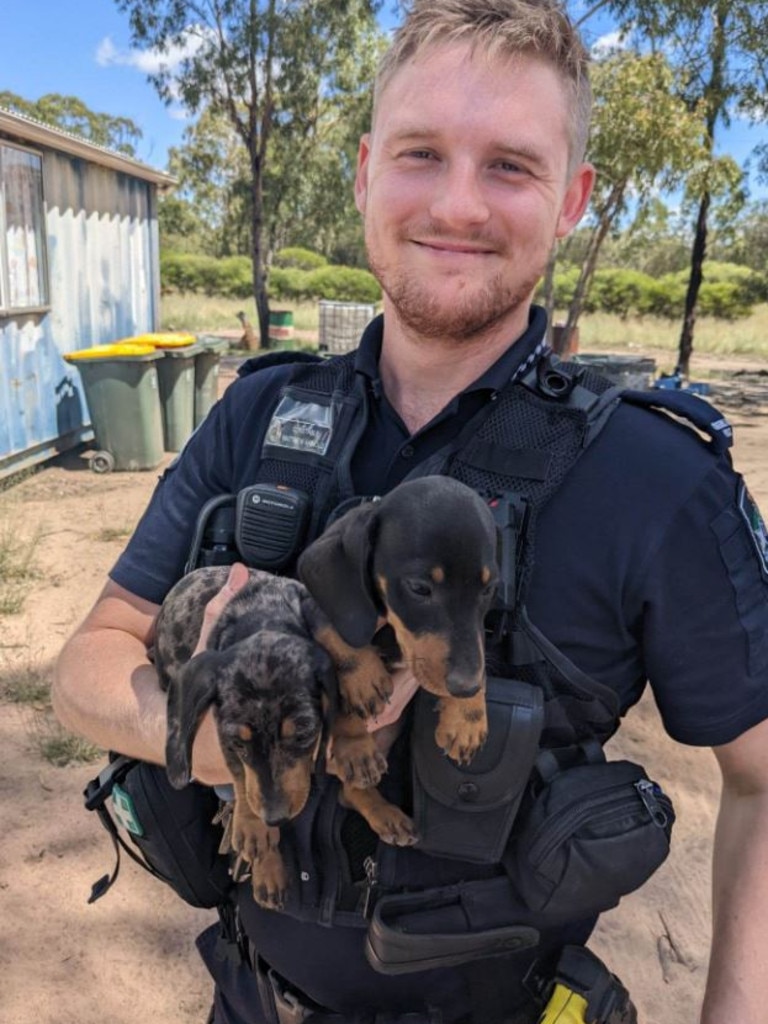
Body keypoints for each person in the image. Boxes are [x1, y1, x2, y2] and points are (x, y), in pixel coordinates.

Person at [53, 1, 768, 1021]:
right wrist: (224, 739)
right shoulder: (260, 414)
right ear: (363, 174)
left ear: (572, 199)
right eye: (422, 152)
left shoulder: (657, 478)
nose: (460, 205)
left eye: (511, 167)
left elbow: (762, 779)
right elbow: (87, 665)